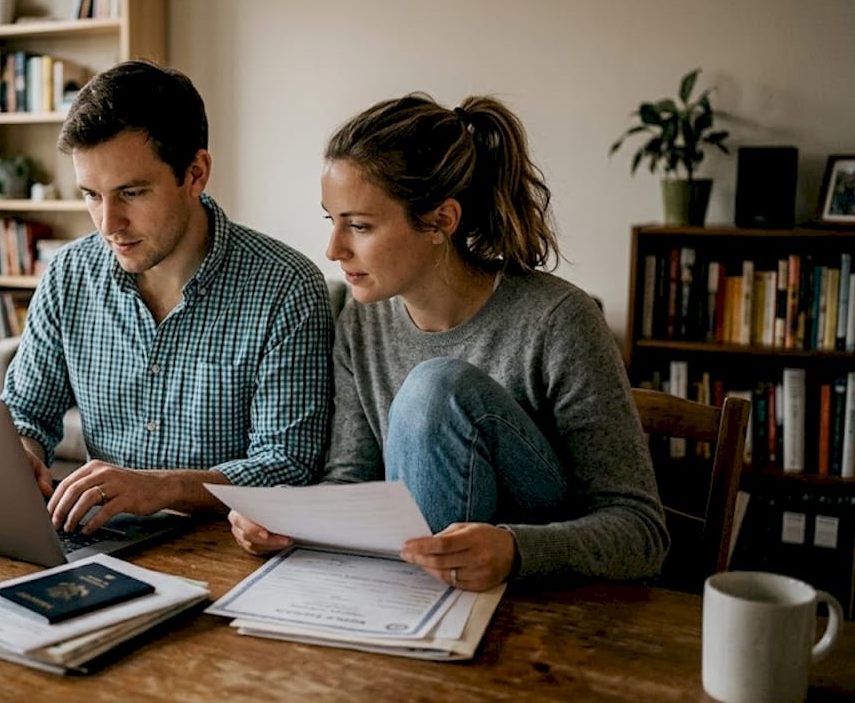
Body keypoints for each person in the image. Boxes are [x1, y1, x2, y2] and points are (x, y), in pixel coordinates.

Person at [230, 93, 669, 591]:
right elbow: (350, 482)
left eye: (359, 225)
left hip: (541, 603)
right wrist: (291, 524)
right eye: (331, 221)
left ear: (441, 221)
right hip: (406, 592)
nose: (334, 249)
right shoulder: (362, 320)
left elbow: (642, 534)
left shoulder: (559, 320)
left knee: (435, 386)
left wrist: (514, 548)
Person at [3, 60, 333, 535]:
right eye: (92, 195)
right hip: (101, 543)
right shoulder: (69, 273)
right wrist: (21, 453)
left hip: (227, 551)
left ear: (195, 174)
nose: (107, 223)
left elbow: (286, 465)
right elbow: (26, 412)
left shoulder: (285, 288)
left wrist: (160, 488)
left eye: (131, 193)